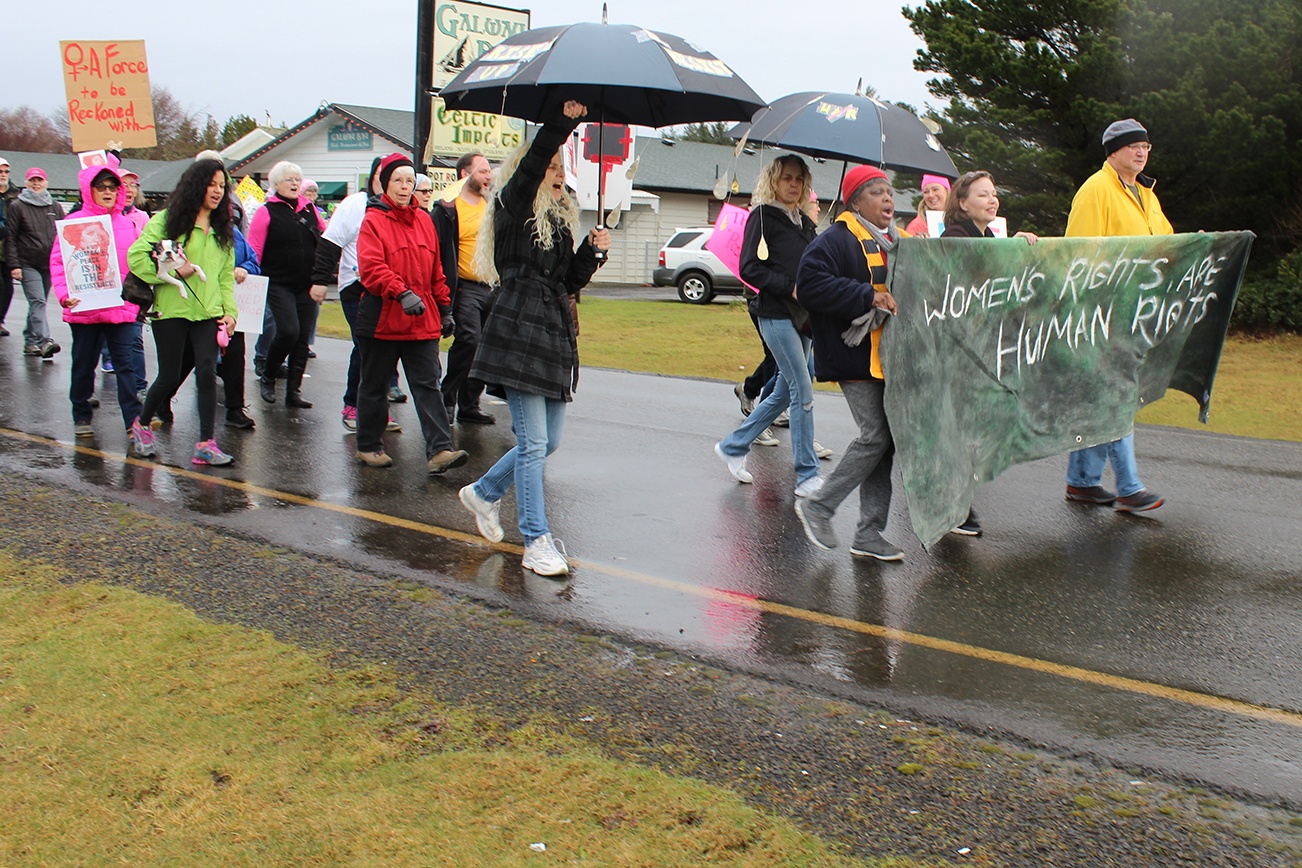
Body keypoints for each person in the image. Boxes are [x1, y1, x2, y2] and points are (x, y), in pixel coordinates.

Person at [457, 100, 609, 577]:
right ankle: (536, 539)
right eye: (549, 164)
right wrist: (563, 125)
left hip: (553, 334)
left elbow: (567, 282)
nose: (557, 170)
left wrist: (591, 252)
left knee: (549, 440)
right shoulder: (512, 203)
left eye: (562, 165)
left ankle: (482, 492)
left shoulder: (562, 221)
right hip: (516, 329)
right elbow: (536, 155)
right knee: (533, 443)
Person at [791, 165, 904, 561]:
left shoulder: (897, 241)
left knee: (883, 444)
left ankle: (868, 534)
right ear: (855, 201)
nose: (888, 199)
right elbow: (809, 285)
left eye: (889, 191)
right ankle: (819, 506)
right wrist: (867, 296)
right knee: (875, 435)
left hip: (890, 354)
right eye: (876, 192)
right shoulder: (835, 239)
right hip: (853, 351)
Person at [1062, 119, 1170, 513]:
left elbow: (1166, 245)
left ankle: (1083, 482)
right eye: (1133, 146)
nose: (1141, 152)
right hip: (1102, 313)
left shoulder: (1146, 195)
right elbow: (1079, 254)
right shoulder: (1096, 189)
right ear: (1112, 152)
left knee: (1101, 398)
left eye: (1146, 146)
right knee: (1117, 396)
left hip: (1136, 312)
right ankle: (1128, 486)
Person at [713, 154, 823, 498]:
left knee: (784, 391)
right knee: (802, 389)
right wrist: (788, 286)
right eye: (787, 178)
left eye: (799, 179)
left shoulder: (803, 222)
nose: (793, 185)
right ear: (774, 180)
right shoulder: (762, 216)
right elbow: (750, 269)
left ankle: (734, 445)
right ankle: (807, 473)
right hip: (775, 313)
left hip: (803, 317)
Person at [353, 152, 468, 475]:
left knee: (428, 384)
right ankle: (369, 445)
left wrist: (445, 309)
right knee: (374, 385)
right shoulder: (373, 220)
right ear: (386, 184)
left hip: (422, 320)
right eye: (398, 181)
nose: (405, 187)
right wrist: (400, 292)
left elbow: (437, 270)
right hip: (382, 320)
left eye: (409, 181)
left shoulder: (424, 221)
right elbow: (371, 268)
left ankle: (440, 451)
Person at [939, 170, 1039, 537]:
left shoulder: (989, 235)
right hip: (958, 348)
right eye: (983, 195)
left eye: (994, 194)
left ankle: (956, 505)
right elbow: (966, 277)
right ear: (962, 203)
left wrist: (1018, 246)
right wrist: (1003, 250)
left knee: (974, 428)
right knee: (960, 429)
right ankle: (953, 509)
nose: (992, 200)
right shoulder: (956, 236)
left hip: (982, 347)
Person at [128, 158, 239, 465]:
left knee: (206, 373)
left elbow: (225, 277)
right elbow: (136, 257)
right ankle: (143, 423)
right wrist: (178, 272)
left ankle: (206, 443)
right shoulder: (166, 220)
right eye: (211, 184)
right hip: (171, 311)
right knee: (168, 376)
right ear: (195, 185)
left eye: (222, 186)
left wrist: (230, 313)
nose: (217, 192)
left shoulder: (222, 230)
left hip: (207, 313)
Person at [50, 164, 150, 454]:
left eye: (112, 186)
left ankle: (134, 421)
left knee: (126, 366)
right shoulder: (74, 222)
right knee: (84, 364)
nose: (108, 192)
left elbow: (139, 263)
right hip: (85, 309)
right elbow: (59, 263)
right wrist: (65, 295)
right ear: (89, 190)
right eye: (101, 187)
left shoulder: (129, 223)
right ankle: (81, 413)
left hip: (119, 307)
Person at [309, 157, 402, 434]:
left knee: (383, 350)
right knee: (366, 347)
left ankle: (375, 410)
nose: (399, 185)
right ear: (377, 176)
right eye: (391, 177)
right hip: (356, 287)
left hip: (388, 289)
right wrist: (320, 280)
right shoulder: (355, 205)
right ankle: (353, 406)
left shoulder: (396, 208)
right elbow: (330, 242)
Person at [247, 160, 325, 408]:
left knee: (302, 338)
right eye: (289, 179)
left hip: (307, 283)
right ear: (276, 184)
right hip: (278, 282)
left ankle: (294, 392)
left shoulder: (309, 209)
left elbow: (325, 239)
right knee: (288, 330)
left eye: (297, 179)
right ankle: (268, 375)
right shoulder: (266, 211)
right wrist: (251, 279)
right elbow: (255, 249)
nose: (294, 183)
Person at [435, 151, 499, 425]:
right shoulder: (450, 207)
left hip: (493, 286)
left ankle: (470, 404)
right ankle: (447, 398)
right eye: (483, 171)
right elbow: (438, 249)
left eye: (489, 172)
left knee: (487, 345)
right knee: (469, 340)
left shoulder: (493, 204)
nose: (489, 176)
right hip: (465, 286)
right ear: (465, 174)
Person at [7, 167, 62, 359]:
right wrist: (14, 265)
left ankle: (30, 341)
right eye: (32, 180)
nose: (36, 184)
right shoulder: (17, 206)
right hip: (27, 262)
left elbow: (63, 235)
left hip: (49, 263)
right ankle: (45, 340)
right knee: (37, 301)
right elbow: (11, 237)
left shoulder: (54, 206)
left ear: (46, 182)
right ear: (26, 182)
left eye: (39, 180)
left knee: (39, 303)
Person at [0, 157, 22, 337]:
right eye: (0, 172)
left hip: (9, 248)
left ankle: (0, 319)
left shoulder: (15, 195)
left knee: (8, 287)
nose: (3, 175)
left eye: (6, 172)